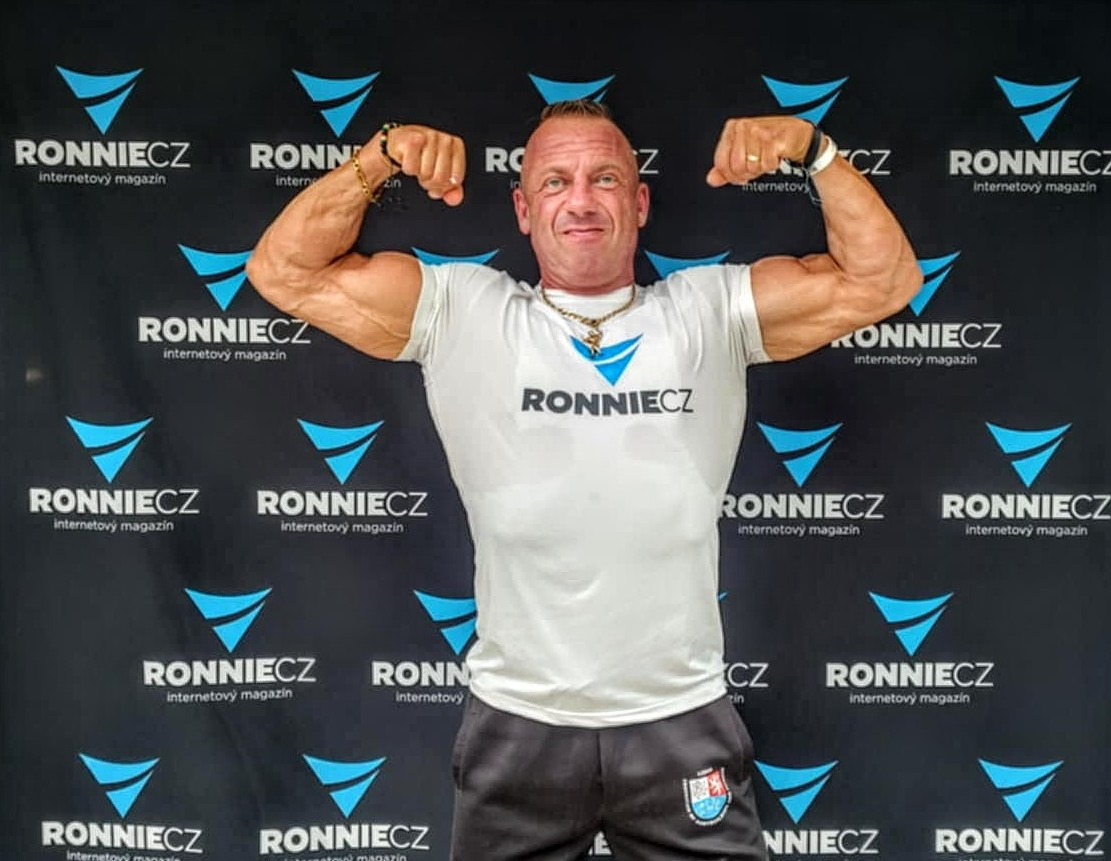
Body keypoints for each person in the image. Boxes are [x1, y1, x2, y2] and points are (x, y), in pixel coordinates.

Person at [247, 100, 922, 861]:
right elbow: (283, 270)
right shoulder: (461, 309)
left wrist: (814, 151)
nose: (580, 200)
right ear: (523, 209)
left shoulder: (711, 310)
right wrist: (378, 158)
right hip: (519, 719)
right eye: (555, 181)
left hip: (679, 715)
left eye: (604, 178)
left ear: (639, 202)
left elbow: (883, 281)